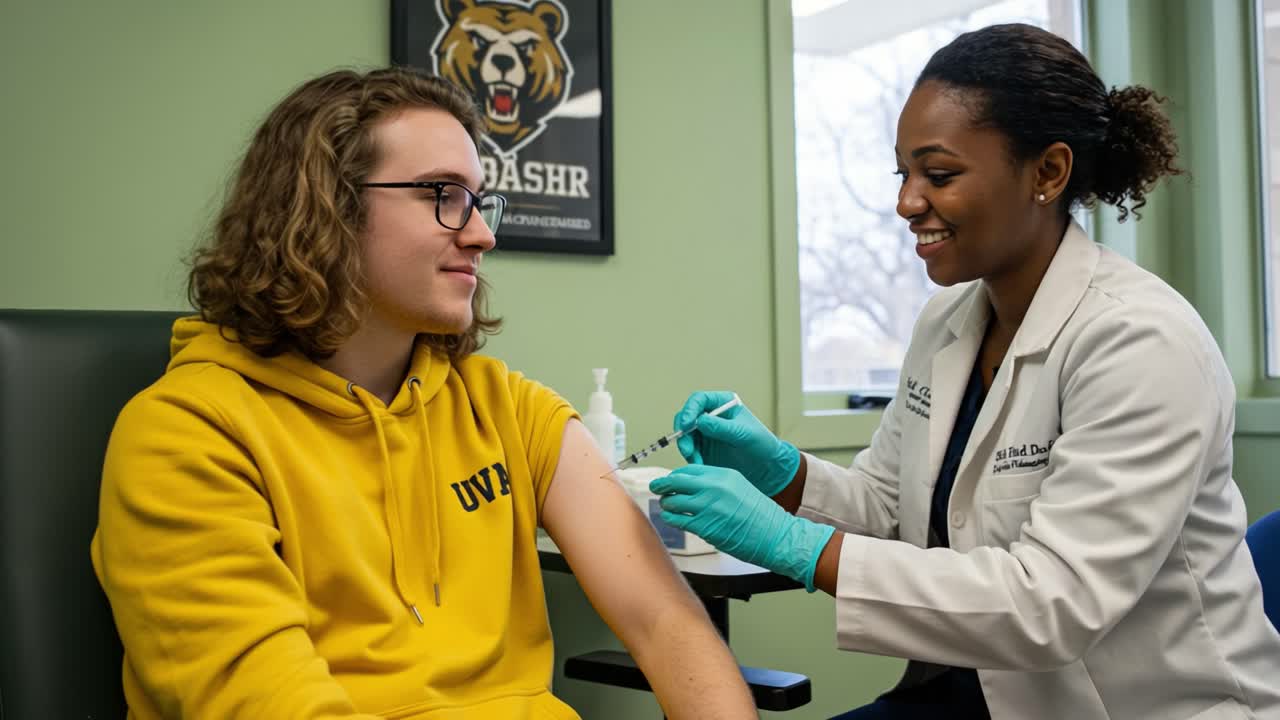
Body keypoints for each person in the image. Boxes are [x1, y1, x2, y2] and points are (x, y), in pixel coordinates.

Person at [650, 23, 1280, 720]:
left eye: (939, 175)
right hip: (975, 693)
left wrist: (794, 546)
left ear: (1048, 172)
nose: (906, 202)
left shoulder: (1141, 342)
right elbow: (889, 511)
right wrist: (783, 475)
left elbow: (1051, 603)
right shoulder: (948, 321)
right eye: (904, 174)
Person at [90, 67, 757, 719]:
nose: (483, 234)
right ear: (326, 206)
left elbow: (665, 621)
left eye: (478, 199)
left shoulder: (507, 410)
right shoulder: (188, 433)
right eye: (443, 193)